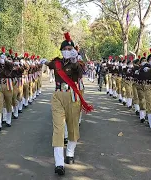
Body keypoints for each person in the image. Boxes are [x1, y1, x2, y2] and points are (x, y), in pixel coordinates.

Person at [42, 32, 93, 176]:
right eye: (66, 49)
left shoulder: (77, 63)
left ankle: (70, 152)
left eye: (71, 49)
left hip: (73, 96)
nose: (68, 51)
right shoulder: (57, 62)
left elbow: (80, 72)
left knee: (73, 127)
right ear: (62, 50)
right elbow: (49, 64)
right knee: (58, 129)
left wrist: (75, 60)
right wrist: (42, 61)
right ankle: (59, 163)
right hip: (58, 96)